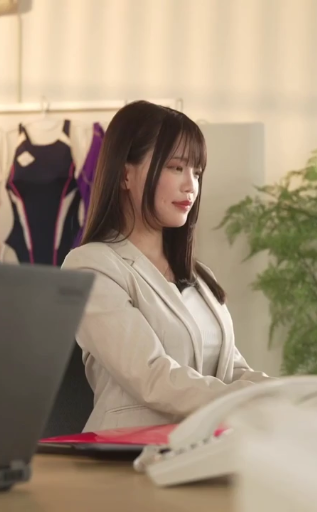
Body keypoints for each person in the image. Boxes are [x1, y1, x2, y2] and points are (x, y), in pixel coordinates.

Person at [61, 101, 272, 431]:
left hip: (200, 449)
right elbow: (154, 378)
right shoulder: (90, 267)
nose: (191, 186)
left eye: (197, 172)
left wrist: (299, 393)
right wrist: (253, 400)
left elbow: (232, 371)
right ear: (125, 174)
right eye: (176, 167)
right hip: (126, 452)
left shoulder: (199, 276)